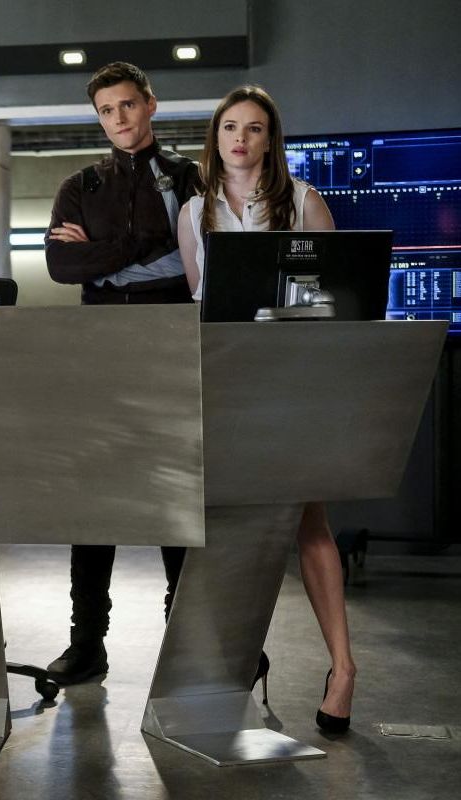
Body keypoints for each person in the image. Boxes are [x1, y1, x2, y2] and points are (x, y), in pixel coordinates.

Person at [177, 85, 355, 733]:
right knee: (228, 533)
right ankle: (236, 671)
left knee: (309, 522)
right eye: (230, 127)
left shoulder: (305, 202)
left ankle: (343, 668)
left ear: (269, 139)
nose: (240, 139)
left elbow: (338, 298)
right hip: (226, 385)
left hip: (291, 382)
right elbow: (202, 307)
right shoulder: (193, 212)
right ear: (216, 136)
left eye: (254, 128)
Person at [43, 62, 202, 685]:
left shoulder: (190, 177)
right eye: (107, 110)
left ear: (151, 104)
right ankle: (87, 644)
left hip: (170, 345)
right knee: (95, 499)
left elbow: (195, 262)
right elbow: (60, 266)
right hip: (100, 352)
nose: (119, 119)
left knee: (173, 496)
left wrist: (100, 258)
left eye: (128, 105)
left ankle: (185, 640)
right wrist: (142, 247)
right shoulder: (80, 184)